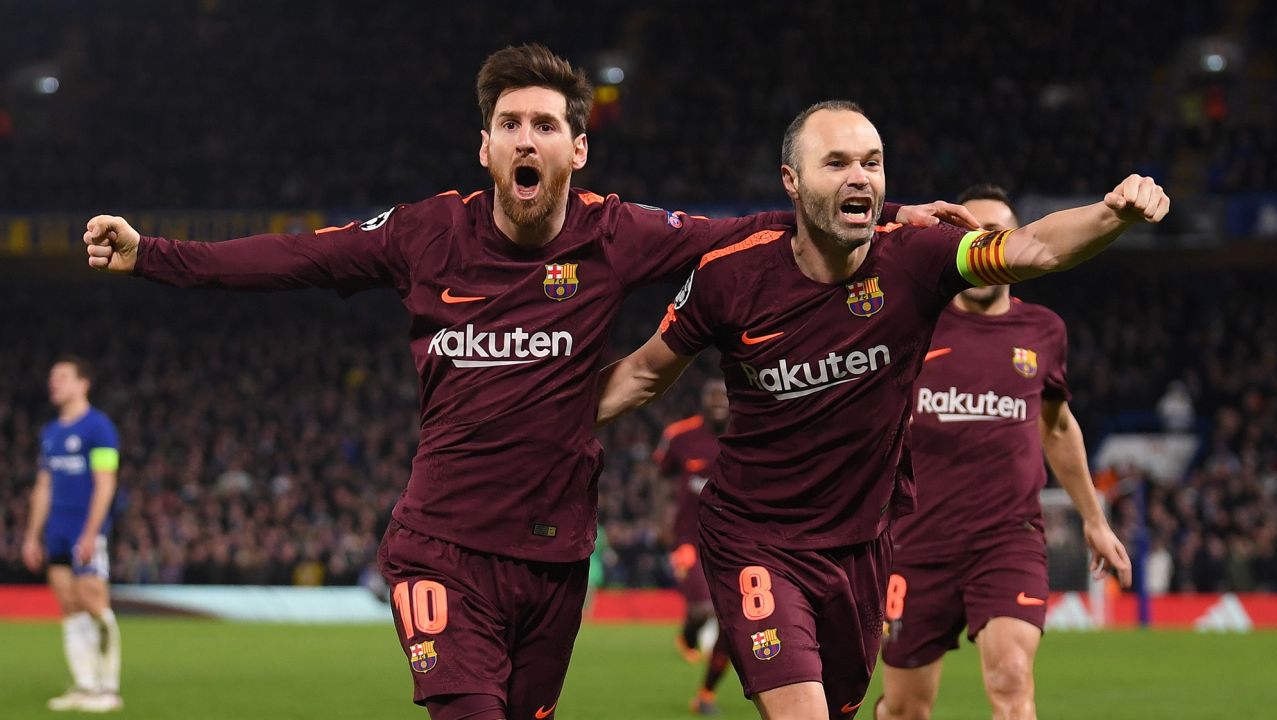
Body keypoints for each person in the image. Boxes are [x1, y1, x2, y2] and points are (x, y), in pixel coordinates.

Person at [80, 46, 966, 720]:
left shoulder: (616, 235)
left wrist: (881, 216)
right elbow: (296, 256)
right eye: (512, 124)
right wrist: (155, 255)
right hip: (442, 545)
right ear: (486, 146)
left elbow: (759, 227)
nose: (528, 139)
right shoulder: (426, 234)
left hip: (554, 558)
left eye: (547, 125)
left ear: (578, 149)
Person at [596, 100, 1168, 719]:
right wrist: (532, 419)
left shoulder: (918, 258)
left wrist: (1111, 214)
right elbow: (644, 373)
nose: (859, 177)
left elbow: (1032, 249)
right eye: (836, 162)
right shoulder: (730, 274)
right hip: (755, 537)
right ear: (791, 180)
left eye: (872, 162)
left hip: (863, 546)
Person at [875, 184, 1133, 720]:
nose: (985, 243)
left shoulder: (1042, 331)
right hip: (916, 545)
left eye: (997, 234)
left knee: (1012, 681)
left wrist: (1094, 519)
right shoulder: (913, 323)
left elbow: (1057, 427)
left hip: (1006, 540)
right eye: (972, 235)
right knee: (905, 709)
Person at [22, 356, 124, 713]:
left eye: (62, 377)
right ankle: (84, 684)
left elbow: (105, 484)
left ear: (83, 384)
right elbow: (44, 486)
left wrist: (91, 532)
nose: (54, 383)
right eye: (52, 377)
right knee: (69, 606)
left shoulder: (99, 428)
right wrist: (32, 535)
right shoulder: (50, 433)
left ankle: (108, 690)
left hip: (86, 530)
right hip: (57, 533)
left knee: (94, 602)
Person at [654, 378, 732, 715]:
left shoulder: (746, 434)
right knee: (702, 610)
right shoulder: (681, 435)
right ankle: (688, 634)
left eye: (724, 397)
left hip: (732, 542)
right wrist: (661, 520)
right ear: (703, 401)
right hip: (688, 539)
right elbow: (660, 477)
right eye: (713, 396)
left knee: (731, 625)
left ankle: (705, 695)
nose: (719, 402)